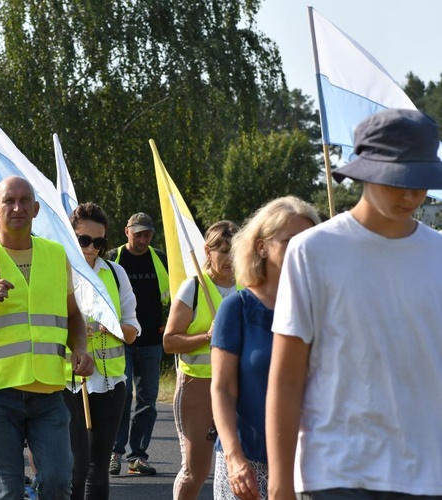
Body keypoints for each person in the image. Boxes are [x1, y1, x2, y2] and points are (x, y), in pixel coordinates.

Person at [266, 108, 442, 499]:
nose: (412, 194)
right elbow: (287, 376)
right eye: (400, 181)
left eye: (422, 181)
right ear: (366, 171)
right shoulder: (312, 250)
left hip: (429, 474)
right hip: (335, 473)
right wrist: (279, 485)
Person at [0, 176, 94, 500]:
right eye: (9, 202)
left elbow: (72, 316)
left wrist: (80, 348)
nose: (17, 207)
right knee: (8, 490)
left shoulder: (56, 255)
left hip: (49, 390)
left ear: (36, 209)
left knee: (56, 483)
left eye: (25, 201)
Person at [210, 198, 319, 500]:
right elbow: (222, 389)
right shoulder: (237, 308)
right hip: (247, 466)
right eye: (289, 242)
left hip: (308, 465)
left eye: (308, 241)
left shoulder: (323, 310)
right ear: (261, 247)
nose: (302, 249)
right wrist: (234, 458)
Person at [64, 202, 141, 500]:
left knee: (98, 469)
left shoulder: (116, 274)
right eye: (84, 240)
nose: (92, 247)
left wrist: (110, 327)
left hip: (110, 385)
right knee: (75, 467)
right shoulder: (59, 269)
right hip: (68, 383)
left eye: (99, 242)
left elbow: (132, 332)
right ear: (71, 236)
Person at [163, 220, 239, 498]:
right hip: (197, 388)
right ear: (208, 252)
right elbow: (169, 341)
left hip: (237, 388)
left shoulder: (248, 286)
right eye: (224, 251)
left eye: (235, 251)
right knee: (196, 470)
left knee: (239, 465)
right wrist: (207, 337)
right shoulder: (193, 288)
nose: (230, 258)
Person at [107, 212, 170, 476]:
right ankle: (114, 453)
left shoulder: (161, 260)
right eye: (139, 234)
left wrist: (170, 321)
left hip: (152, 342)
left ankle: (138, 457)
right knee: (122, 397)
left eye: (148, 235)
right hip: (121, 340)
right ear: (127, 232)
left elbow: (176, 292)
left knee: (147, 400)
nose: (144, 239)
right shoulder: (112, 259)